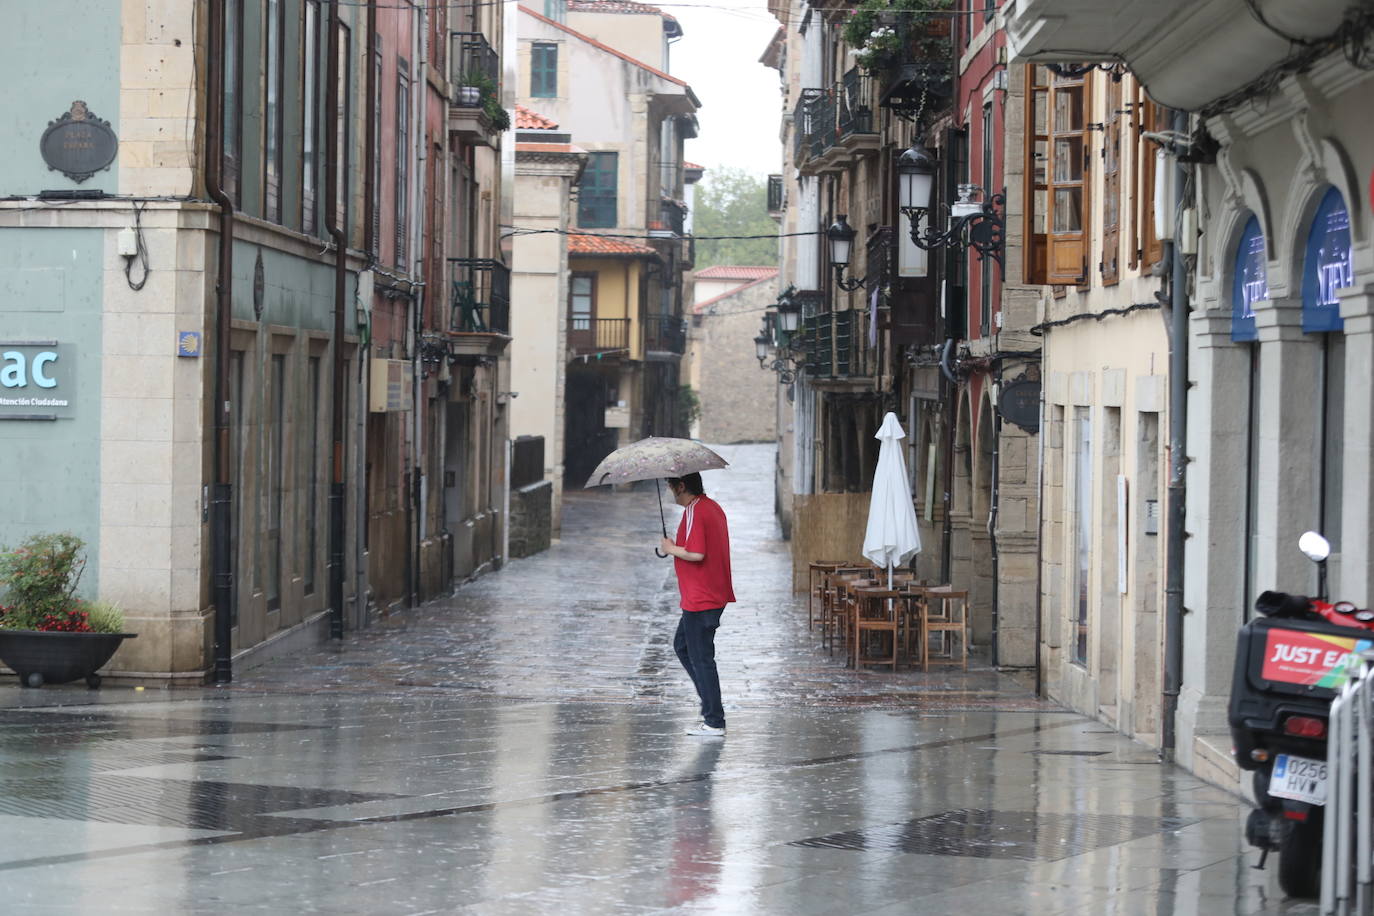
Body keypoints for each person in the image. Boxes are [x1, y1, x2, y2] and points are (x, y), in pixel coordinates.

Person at [659, 472, 735, 737]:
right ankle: (709, 704)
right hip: (707, 595)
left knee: (701, 658)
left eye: (671, 486)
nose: (670, 492)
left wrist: (670, 548)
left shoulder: (695, 510)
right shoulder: (710, 507)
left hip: (701, 597)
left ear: (681, 486)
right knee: (682, 646)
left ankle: (714, 719)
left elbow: (697, 553)